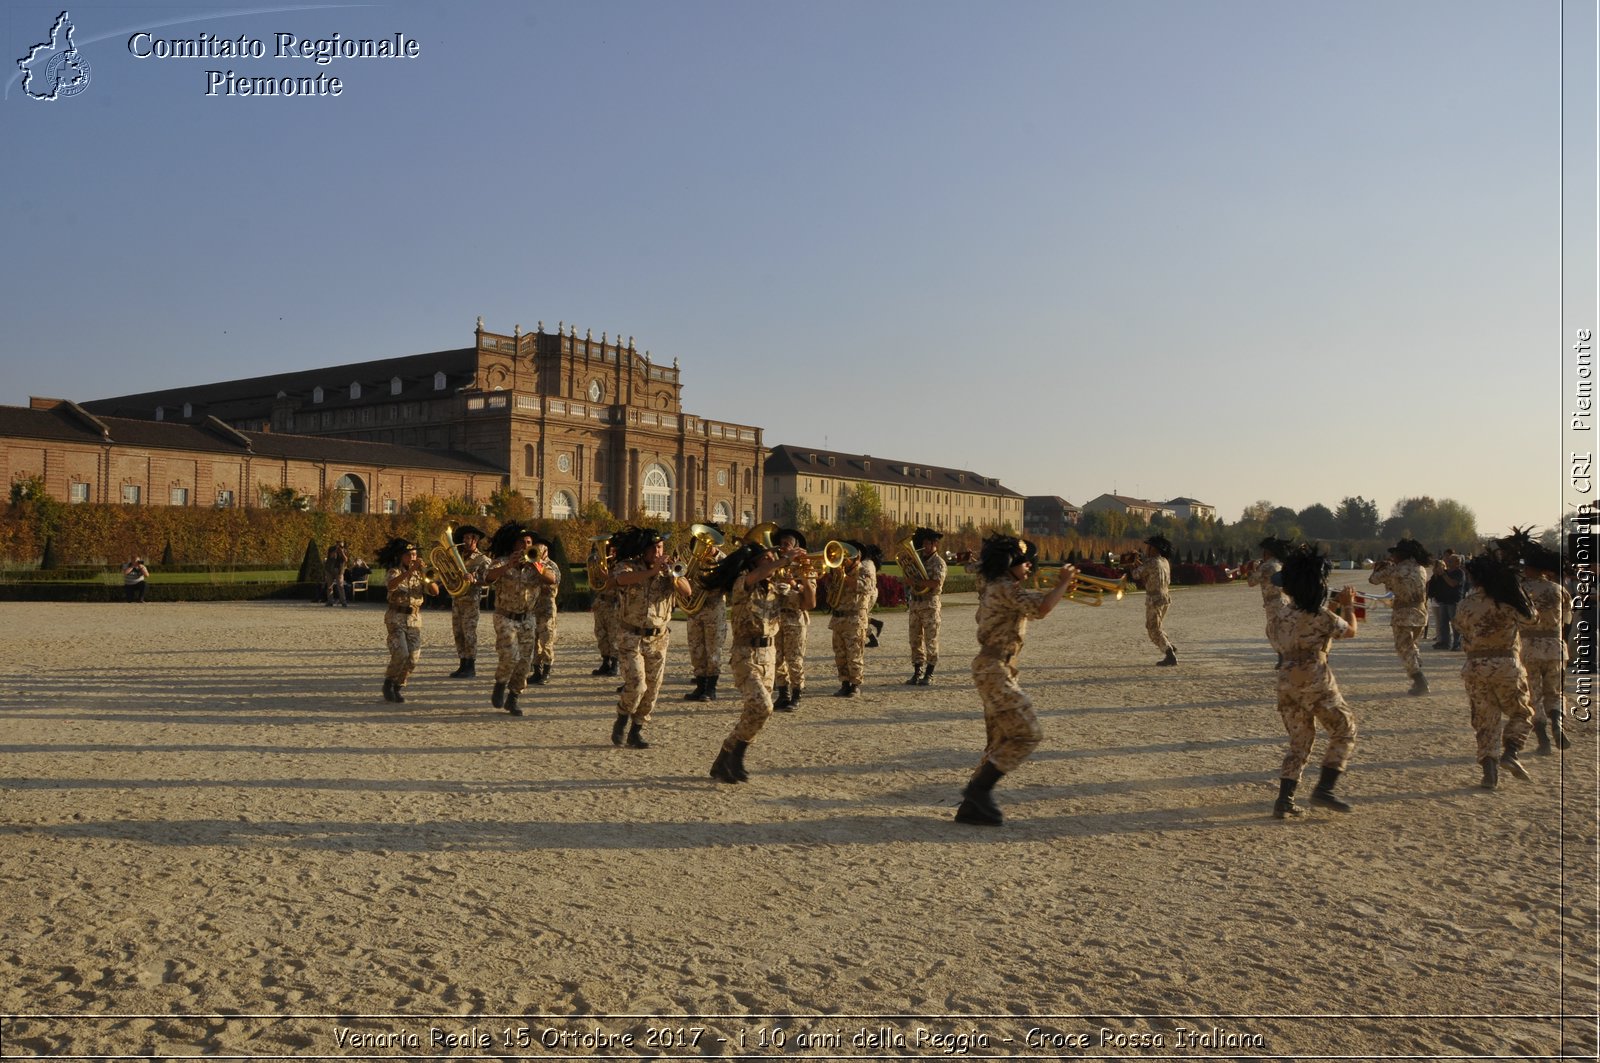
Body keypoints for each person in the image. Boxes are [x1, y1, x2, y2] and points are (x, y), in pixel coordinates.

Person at [954, 535, 1075, 826]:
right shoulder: (1004, 588)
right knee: (1028, 732)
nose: (1029, 565)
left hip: (997, 668)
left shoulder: (1002, 587)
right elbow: (1042, 609)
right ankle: (978, 790)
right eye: (1023, 561)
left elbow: (1035, 605)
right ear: (1009, 564)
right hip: (994, 668)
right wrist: (1062, 583)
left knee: (999, 740)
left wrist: (1057, 588)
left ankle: (972, 806)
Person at [705, 538, 812, 783]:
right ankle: (735, 756)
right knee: (764, 706)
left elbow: (809, 603)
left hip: (769, 656)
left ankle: (725, 758)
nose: (772, 560)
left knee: (755, 713)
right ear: (754, 563)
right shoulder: (743, 583)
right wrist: (786, 559)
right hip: (746, 654)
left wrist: (806, 576)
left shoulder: (777, 588)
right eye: (767, 557)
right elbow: (758, 575)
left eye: (773, 558)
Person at [1265, 545, 1360, 819]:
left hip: (1285, 678)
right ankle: (1325, 789)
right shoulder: (1322, 616)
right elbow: (1349, 631)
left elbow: (1286, 636)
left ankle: (1285, 799)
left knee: (1300, 740)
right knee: (1344, 729)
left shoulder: (1278, 616)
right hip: (1314, 677)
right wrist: (1349, 604)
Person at [1455, 553, 1538, 789]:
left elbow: (1460, 627)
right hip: (1506, 664)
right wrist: (1519, 593)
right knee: (1522, 713)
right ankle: (1511, 752)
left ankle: (1489, 773)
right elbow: (1532, 619)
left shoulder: (1466, 604)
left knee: (1485, 720)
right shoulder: (1509, 602)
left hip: (1474, 666)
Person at [608, 526, 692, 748]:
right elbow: (619, 581)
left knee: (652, 690)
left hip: (658, 639)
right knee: (637, 685)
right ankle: (622, 717)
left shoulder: (670, 570)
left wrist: (672, 574)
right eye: (654, 548)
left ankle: (636, 730)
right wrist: (651, 572)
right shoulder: (627, 566)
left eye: (661, 547)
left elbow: (687, 591)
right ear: (644, 551)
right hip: (631, 636)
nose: (658, 551)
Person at [1518, 543, 1573, 754]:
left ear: (1530, 569)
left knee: (1534, 695)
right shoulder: (1559, 590)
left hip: (1529, 647)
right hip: (1556, 647)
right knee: (1555, 692)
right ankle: (1557, 725)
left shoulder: (1522, 591)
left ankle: (1543, 741)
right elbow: (1566, 619)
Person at [484, 523, 542, 716]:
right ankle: (500, 683)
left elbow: (553, 579)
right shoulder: (501, 561)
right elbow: (488, 577)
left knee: (525, 661)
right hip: (505, 616)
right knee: (510, 656)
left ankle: (514, 696)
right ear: (514, 545)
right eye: (522, 542)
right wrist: (509, 564)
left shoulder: (539, 564)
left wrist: (538, 567)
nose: (526, 545)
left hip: (527, 618)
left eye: (529, 542)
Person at [376, 537, 439, 703]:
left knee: (413, 658)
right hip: (396, 618)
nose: (413, 557)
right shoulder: (394, 572)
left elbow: (435, 592)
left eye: (415, 554)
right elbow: (391, 586)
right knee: (401, 653)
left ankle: (398, 686)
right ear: (401, 556)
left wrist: (427, 575)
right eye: (409, 554)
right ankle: (388, 682)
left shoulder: (420, 574)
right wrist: (409, 572)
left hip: (414, 619)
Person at [1369, 537, 1432, 694]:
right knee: (1412, 645)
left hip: (1403, 613)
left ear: (1402, 555)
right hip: (1421, 613)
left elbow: (1373, 580)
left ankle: (1419, 679)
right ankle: (1418, 671)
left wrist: (1379, 567)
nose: (1393, 557)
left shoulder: (1395, 569)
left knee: (1403, 647)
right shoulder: (1421, 568)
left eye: (1395, 554)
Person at [682, 525, 729, 703]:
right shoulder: (695, 558)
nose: (705, 545)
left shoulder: (723, 560)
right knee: (696, 648)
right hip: (695, 609)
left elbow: (726, 584)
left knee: (713, 650)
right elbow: (686, 578)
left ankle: (711, 689)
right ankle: (700, 686)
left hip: (713, 609)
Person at [772, 528, 815, 712]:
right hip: (775, 616)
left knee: (794, 659)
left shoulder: (806, 566)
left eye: (787, 543)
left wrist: (795, 584)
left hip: (795, 617)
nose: (783, 547)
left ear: (796, 546)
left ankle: (797, 693)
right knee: (776, 659)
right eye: (781, 543)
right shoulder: (775, 563)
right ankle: (783, 694)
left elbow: (811, 599)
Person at [827, 540, 877, 698]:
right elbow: (831, 596)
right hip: (838, 619)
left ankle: (855, 685)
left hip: (855, 619)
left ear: (857, 557)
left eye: (847, 556)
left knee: (854, 654)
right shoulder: (838, 571)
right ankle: (844, 683)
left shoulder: (864, 570)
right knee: (840, 654)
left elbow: (867, 588)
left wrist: (845, 578)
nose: (844, 560)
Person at [446, 526, 492, 678]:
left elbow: (488, 580)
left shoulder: (483, 559)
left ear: (475, 540)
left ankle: (471, 666)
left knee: (469, 633)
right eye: (464, 538)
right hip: (457, 600)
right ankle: (462, 664)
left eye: (467, 538)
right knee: (458, 633)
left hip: (471, 601)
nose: (464, 541)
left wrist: (475, 580)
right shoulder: (458, 557)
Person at [905, 527, 948, 685]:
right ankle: (917, 671)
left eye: (930, 543)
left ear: (936, 544)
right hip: (915, 604)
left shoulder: (939, 563)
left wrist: (915, 582)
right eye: (925, 543)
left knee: (931, 640)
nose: (927, 546)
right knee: (914, 640)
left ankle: (929, 673)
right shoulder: (917, 560)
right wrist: (909, 580)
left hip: (930, 605)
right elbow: (908, 575)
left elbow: (935, 583)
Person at [1128, 535, 1177, 666]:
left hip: (1154, 599)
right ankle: (1169, 646)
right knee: (1157, 626)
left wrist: (1131, 564)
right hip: (1165, 598)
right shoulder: (1165, 562)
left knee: (1153, 629)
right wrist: (1138, 562)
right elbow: (1148, 572)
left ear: (1154, 549)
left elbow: (1136, 574)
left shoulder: (1151, 562)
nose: (1147, 549)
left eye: (1149, 546)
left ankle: (1169, 652)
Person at [1247, 537, 1293, 669]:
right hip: (1283, 600)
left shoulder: (1267, 566)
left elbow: (1251, 582)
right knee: (1277, 630)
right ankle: (1283, 657)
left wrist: (1251, 570)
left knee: (1273, 631)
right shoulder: (1279, 563)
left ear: (1268, 552)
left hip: (1274, 603)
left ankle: (1284, 658)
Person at [527, 534, 562, 685]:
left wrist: (538, 565)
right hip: (533, 607)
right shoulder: (530, 563)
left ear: (546, 550)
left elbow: (555, 581)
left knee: (546, 641)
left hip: (547, 607)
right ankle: (537, 671)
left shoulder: (552, 565)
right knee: (534, 642)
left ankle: (546, 671)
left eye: (540, 547)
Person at [588, 535, 621, 677]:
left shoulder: (621, 565)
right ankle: (605, 661)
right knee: (601, 634)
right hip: (601, 602)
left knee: (614, 634)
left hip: (614, 603)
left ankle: (615, 663)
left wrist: (608, 576)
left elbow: (621, 583)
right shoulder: (601, 563)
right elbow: (594, 583)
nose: (610, 552)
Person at [1427, 553, 1464, 651]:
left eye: (1451, 560)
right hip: (1443, 601)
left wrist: (1443, 574)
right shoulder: (1445, 572)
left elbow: (1452, 583)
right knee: (1443, 624)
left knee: (1455, 624)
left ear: (1457, 563)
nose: (1448, 562)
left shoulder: (1459, 573)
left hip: (1453, 601)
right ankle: (1445, 643)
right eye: (1448, 560)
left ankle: (1457, 643)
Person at [323, 541, 349, 608]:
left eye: (341, 546)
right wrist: (336, 550)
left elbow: (346, 559)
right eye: (339, 545)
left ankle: (343, 602)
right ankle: (330, 602)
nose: (340, 547)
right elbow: (331, 556)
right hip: (329, 570)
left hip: (339, 570)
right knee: (329, 586)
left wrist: (342, 552)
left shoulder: (345, 550)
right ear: (336, 544)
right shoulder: (331, 549)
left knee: (340, 586)